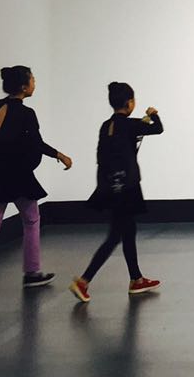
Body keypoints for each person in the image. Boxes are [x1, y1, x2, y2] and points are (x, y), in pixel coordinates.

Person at [0, 65, 72, 298]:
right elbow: (36, 143)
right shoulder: (26, 113)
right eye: (33, 80)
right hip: (17, 174)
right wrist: (59, 155)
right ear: (24, 87)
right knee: (32, 220)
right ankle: (32, 272)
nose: (35, 83)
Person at [69, 82, 163, 303]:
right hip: (127, 187)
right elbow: (157, 129)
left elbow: (103, 156)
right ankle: (83, 281)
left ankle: (136, 279)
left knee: (128, 231)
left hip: (110, 186)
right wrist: (153, 114)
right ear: (130, 103)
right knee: (115, 236)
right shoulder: (131, 125)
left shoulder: (107, 126)